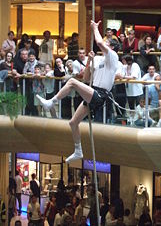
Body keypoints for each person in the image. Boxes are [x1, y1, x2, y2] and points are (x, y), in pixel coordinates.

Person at [36, 20, 119, 163]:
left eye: (107, 43)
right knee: (73, 123)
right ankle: (78, 150)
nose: (104, 44)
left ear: (111, 47)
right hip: (93, 91)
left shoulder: (113, 57)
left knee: (72, 82)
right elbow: (86, 78)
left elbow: (99, 42)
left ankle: (52, 102)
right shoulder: (99, 59)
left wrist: (94, 28)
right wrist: (89, 62)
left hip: (101, 95)